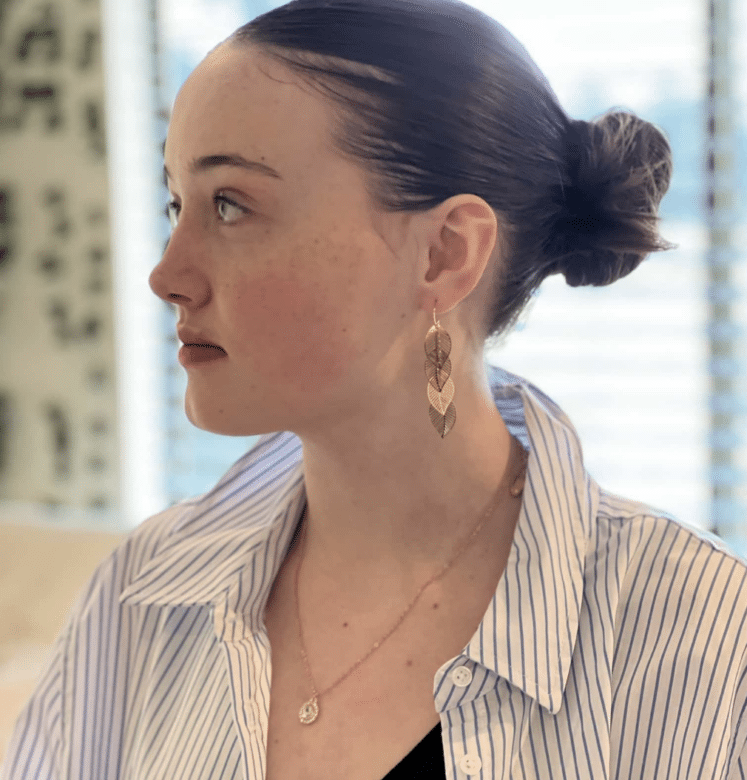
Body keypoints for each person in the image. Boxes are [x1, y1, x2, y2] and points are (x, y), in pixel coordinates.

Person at [3, 0, 747, 777]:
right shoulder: (140, 599)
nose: (166, 275)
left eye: (229, 204)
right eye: (174, 204)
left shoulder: (702, 642)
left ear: (443, 255)